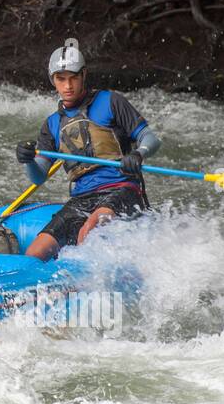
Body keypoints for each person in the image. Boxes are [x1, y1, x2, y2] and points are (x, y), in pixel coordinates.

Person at [15, 45, 161, 259]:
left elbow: (150, 139)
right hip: (81, 197)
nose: (68, 86)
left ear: (84, 75)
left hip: (121, 189)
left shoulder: (111, 102)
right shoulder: (52, 124)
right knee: (35, 253)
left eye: (73, 78)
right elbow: (38, 177)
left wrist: (139, 154)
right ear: (52, 80)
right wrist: (28, 161)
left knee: (89, 231)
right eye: (60, 79)